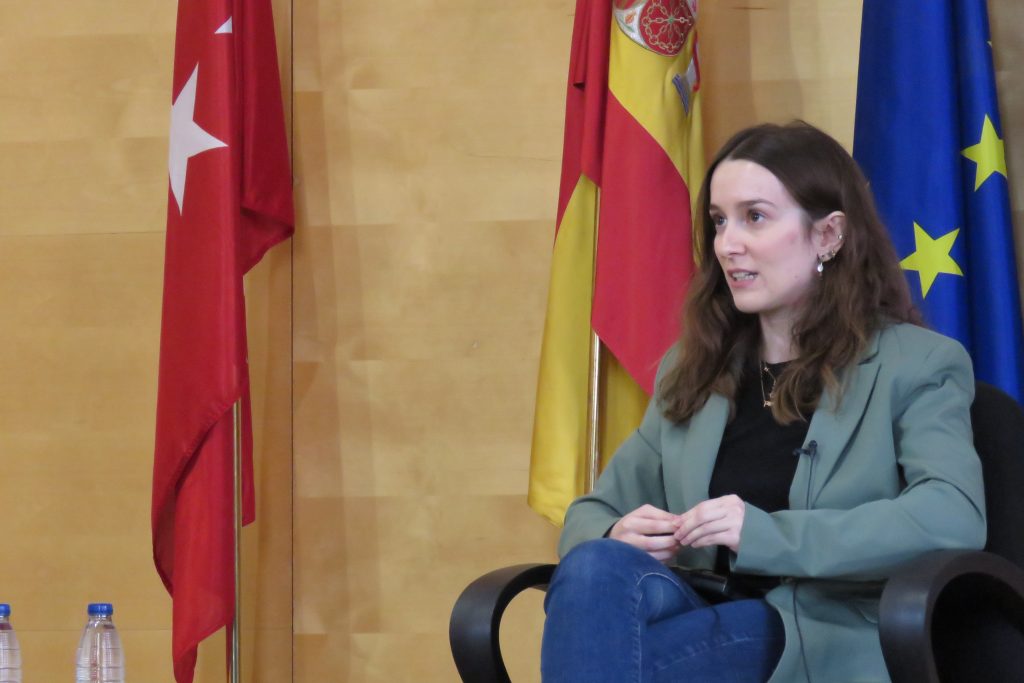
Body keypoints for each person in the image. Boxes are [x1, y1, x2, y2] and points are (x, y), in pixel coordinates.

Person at [540, 121, 986, 683]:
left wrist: (765, 536)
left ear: (828, 235)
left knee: (617, 664)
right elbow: (590, 514)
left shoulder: (916, 364)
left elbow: (952, 516)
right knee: (594, 568)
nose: (728, 244)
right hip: (700, 609)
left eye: (754, 217)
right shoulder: (693, 368)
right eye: (719, 221)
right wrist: (618, 534)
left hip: (818, 632)